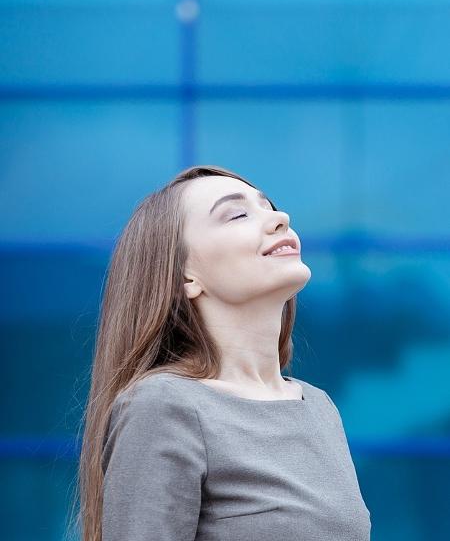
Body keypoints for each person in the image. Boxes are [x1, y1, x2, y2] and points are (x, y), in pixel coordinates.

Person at [69, 165, 371, 541]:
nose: (280, 218)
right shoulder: (165, 405)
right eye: (238, 214)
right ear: (185, 276)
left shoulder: (319, 407)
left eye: (269, 206)